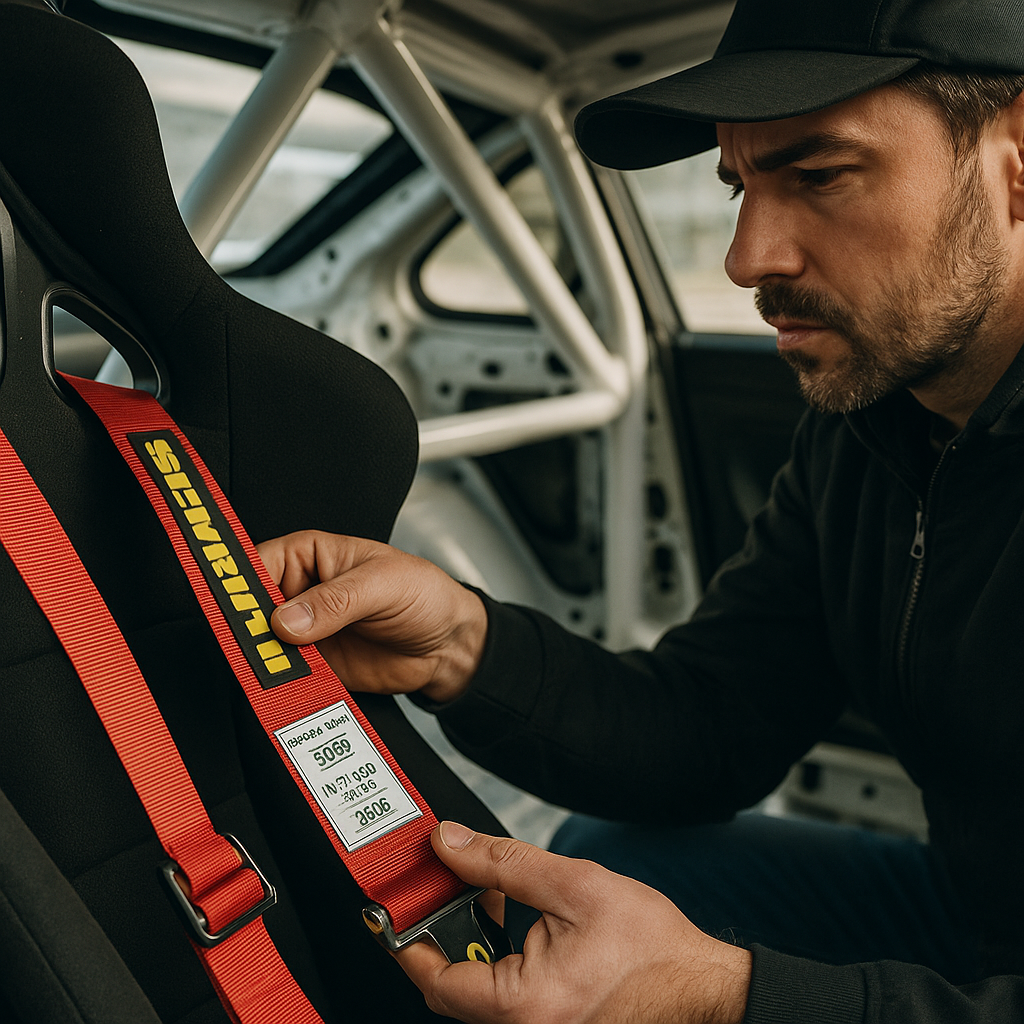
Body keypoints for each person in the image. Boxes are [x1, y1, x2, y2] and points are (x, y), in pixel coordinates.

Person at [257, 1, 1024, 1020]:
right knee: (592, 880)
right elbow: (710, 725)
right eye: (740, 185)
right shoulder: (869, 428)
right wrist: (462, 645)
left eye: (820, 174)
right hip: (972, 909)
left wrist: (721, 996)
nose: (748, 258)